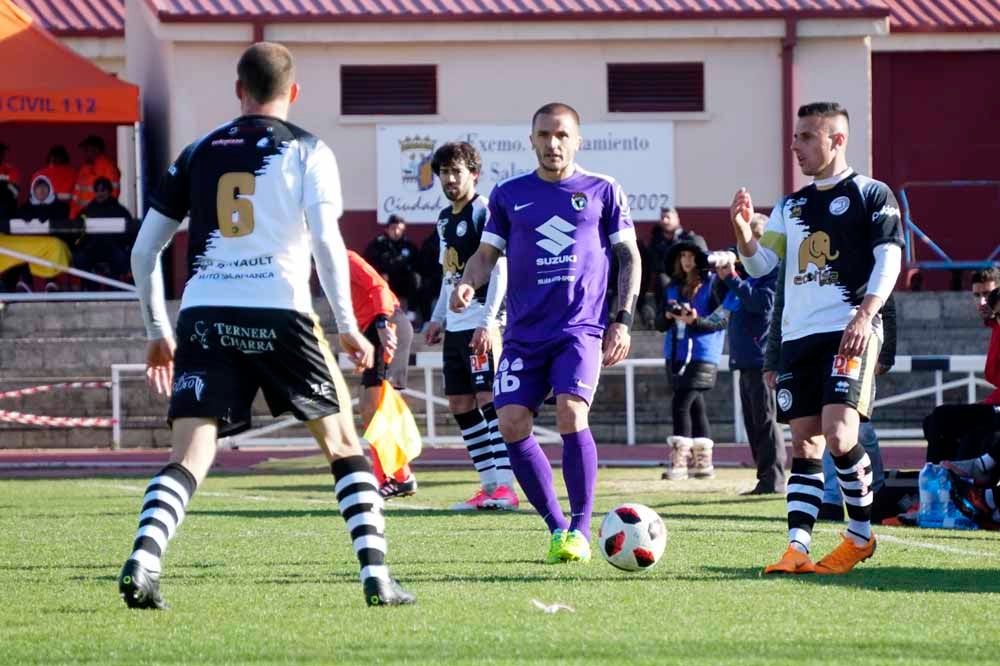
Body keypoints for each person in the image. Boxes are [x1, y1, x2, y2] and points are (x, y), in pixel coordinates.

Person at [118, 42, 414, 609]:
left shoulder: (199, 152)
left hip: (206, 314)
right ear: (293, 92)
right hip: (280, 310)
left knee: (190, 454)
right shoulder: (308, 150)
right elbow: (327, 242)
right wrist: (348, 324)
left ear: (239, 91)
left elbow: (143, 252)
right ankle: (376, 576)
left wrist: (159, 329)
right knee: (343, 444)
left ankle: (143, 560)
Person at [451, 102, 642, 563]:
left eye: (561, 135)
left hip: (579, 328)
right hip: (522, 333)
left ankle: (580, 525)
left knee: (571, 414)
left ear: (577, 140)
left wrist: (623, 318)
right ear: (531, 139)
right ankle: (557, 529)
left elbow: (629, 257)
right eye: (543, 135)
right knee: (511, 422)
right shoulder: (509, 195)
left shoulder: (602, 190)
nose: (552, 144)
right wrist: (466, 282)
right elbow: (485, 255)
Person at [731, 101, 903, 575]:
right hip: (798, 337)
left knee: (840, 433)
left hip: (849, 329)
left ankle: (860, 536)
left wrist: (865, 316)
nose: (796, 146)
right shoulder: (792, 205)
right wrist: (746, 236)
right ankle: (797, 548)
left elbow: (890, 258)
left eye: (807, 137)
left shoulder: (872, 194)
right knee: (804, 444)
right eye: (795, 137)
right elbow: (764, 266)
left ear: (837, 140)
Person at [424, 141, 519, 511]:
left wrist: (490, 321)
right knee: (461, 403)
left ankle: (507, 486)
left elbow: (499, 268)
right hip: (456, 327)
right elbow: (449, 277)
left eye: (456, 172)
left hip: (482, 322)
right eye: (444, 173)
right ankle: (488, 483)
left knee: (488, 401)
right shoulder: (445, 218)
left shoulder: (483, 212)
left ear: (473, 174)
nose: (449, 179)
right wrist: (436, 319)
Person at [764, 257, 898, 516]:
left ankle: (873, 501)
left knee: (851, 433)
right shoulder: (795, 236)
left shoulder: (858, 234)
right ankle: (830, 500)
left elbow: (885, 296)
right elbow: (782, 302)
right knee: (815, 436)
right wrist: (772, 359)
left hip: (852, 340)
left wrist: (886, 354)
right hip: (804, 345)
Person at [713, 213, 786, 495]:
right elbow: (726, 303)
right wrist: (725, 277)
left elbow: (763, 304)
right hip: (745, 359)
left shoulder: (773, 271)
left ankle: (774, 478)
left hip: (762, 358)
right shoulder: (746, 273)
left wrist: (732, 277)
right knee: (753, 421)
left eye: (756, 236)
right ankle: (764, 477)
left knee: (766, 420)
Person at [347, 249, 418, 499]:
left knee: (375, 407)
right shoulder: (325, 268)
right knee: (370, 408)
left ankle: (396, 477)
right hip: (372, 329)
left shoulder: (346, 258)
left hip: (387, 323)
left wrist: (381, 325)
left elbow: (378, 286)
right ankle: (394, 477)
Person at [656, 236, 726, 481]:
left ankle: (680, 462)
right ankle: (703, 464)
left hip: (703, 353)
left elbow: (723, 319)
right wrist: (668, 315)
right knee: (696, 406)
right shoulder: (672, 287)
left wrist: (695, 320)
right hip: (675, 352)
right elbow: (659, 324)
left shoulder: (713, 284)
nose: (686, 261)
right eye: (682, 256)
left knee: (682, 403)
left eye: (691, 256)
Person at [922, 269, 1000, 463]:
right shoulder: (994, 325)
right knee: (931, 423)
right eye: (977, 295)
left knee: (942, 419)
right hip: (993, 405)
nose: (982, 302)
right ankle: (948, 482)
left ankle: (938, 478)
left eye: (988, 295)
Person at [4, 174, 72, 292]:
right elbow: (19, 216)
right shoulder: (25, 208)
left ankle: (51, 283)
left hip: (53, 247)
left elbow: (62, 218)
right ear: (33, 190)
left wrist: (44, 212)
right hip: (32, 247)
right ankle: (26, 284)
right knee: (22, 249)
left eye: (44, 187)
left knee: (55, 248)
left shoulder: (61, 207)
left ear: (50, 189)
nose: (41, 190)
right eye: (38, 187)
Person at [73, 177, 138, 286]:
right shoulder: (87, 211)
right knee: (79, 258)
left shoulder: (120, 211)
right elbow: (77, 232)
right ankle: (90, 288)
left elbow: (130, 234)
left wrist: (123, 245)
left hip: (114, 249)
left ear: (109, 191)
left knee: (122, 257)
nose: (100, 193)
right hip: (91, 249)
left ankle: (116, 287)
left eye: (103, 190)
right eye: (97, 190)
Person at [644, 206, 703, 314]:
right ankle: (664, 313)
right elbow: (653, 263)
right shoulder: (656, 240)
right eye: (662, 218)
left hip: (687, 275)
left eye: (668, 217)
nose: (665, 221)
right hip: (667, 276)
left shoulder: (687, 238)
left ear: (677, 219)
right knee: (661, 279)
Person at [364, 214, 420, 318]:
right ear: (387, 229)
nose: (396, 232)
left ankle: (411, 313)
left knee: (416, 278)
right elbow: (369, 263)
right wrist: (380, 273)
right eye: (393, 228)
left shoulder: (408, 245)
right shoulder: (378, 244)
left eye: (399, 229)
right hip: (385, 280)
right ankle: (383, 313)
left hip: (403, 282)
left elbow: (417, 264)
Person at [71, 135, 121, 218]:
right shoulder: (84, 168)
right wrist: (72, 218)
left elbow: (112, 195)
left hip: (100, 216)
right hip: (83, 217)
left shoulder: (109, 168)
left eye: (87, 150)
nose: (85, 153)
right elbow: (75, 198)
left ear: (97, 150)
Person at [0, 141, 22, 217]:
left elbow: (15, 193)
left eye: (2, 151)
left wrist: (4, 184)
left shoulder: (11, 169)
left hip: (6, 207)